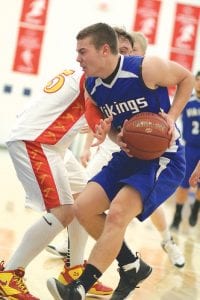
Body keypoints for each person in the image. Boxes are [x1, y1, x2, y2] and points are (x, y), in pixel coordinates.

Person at [47, 22, 194, 300]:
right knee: (83, 208)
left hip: (163, 158)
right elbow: (110, 124)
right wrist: (113, 136)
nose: (78, 58)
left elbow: (185, 77)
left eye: (82, 51)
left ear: (105, 50)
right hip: (128, 155)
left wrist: (172, 116)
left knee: (117, 214)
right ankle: (131, 266)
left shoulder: (145, 68)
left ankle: (79, 287)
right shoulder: (93, 84)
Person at [0, 69, 112, 299]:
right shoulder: (96, 74)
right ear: (106, 48)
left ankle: (74, 270)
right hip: (37, 141)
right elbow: (92, 107)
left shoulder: (93, 71)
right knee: (64, 212)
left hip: (56, 146)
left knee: (85, 200)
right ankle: (9, 274)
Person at [171, 71, 200, 230]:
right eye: (198, 80)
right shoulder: (187, 101)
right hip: (189, 148)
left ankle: (196, 208)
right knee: (184, 184)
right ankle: (177, 217)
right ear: (195, 81)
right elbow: (173, 115)